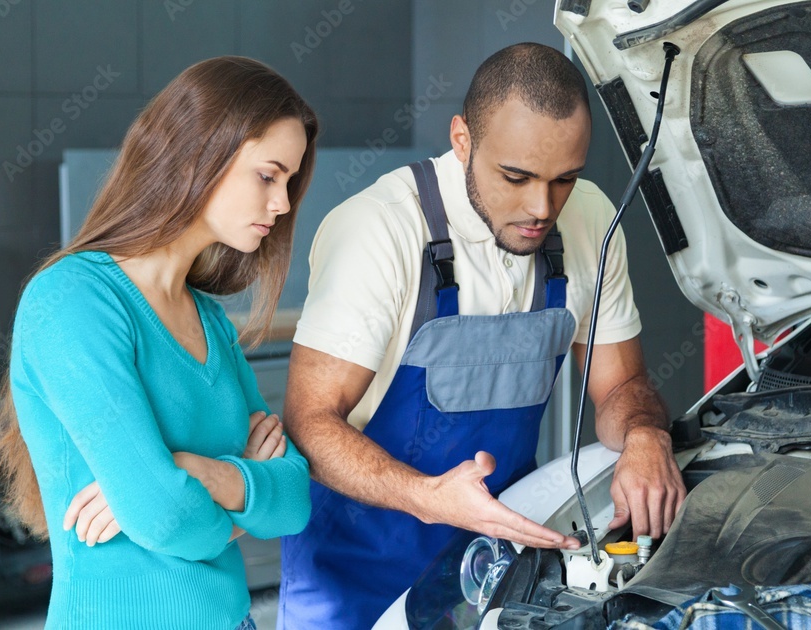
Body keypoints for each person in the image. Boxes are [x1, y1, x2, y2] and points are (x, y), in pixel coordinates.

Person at [278, 42, 687, 628]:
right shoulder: (380, 230)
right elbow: (309, 423)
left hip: (494, 571)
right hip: (354, 580)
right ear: (462, 139)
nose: (541, 207)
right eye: (515, 176)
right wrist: (429, 497)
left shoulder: (591, 219)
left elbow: (620, 385)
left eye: (564, 179)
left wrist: (647, 436)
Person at [0, 56, 317, 630]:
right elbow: (165, 517)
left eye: (289, 181)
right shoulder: (72, 299)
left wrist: (199, 472)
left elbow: (292, 502)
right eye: (269, 175)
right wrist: (239, 482)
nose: (283, 203)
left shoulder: (210, 320)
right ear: (200, 152)